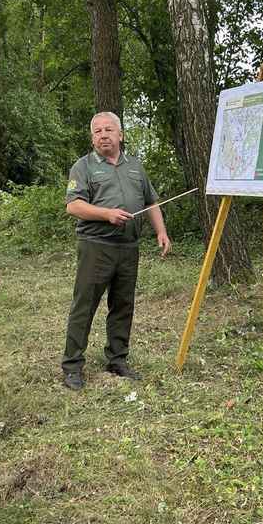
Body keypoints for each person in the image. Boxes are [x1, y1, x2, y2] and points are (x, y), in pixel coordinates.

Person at [63, 111, 171, 390]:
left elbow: (151, 201)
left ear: (120, 134)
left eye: (108, 130)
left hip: (129, 248)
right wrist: (105, 214)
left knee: (123, 305)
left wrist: (161, 231)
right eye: (97, 131)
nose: (103, 135)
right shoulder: (83, 167)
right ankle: (73, 365)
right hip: (96, 247)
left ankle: (117, 359)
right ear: (92, 138)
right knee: (84, 306)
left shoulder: (135, 166)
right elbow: (73, 206)